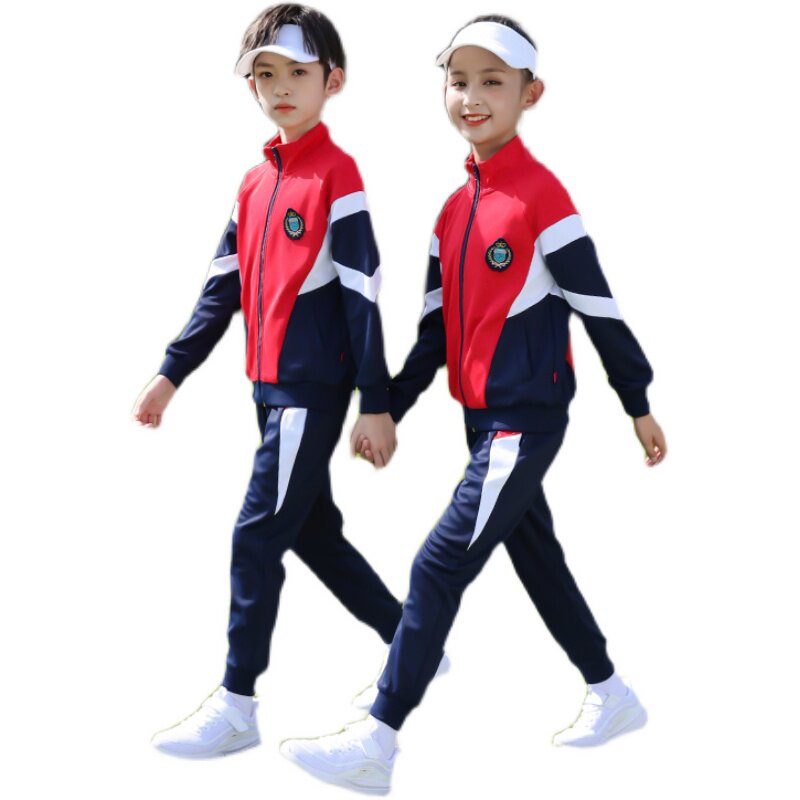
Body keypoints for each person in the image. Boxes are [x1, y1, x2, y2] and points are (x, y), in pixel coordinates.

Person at [280, 15, 667, 794]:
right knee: (538, 560)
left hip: (526, 422)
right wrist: (385, 407)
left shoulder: (543, 199)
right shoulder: (453, 213)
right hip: (481, 421)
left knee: (436, 564)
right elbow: (435, 335)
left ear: (532, 93)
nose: (473, 96)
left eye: (493, 81)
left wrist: (637, 401)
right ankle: (612, 693)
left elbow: (599, 306)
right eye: (459, 81)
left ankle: (379, 738)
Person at [131, 3, 404, 758]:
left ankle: (237, 704)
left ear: (332, 81)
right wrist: (170, 373)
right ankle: (412, 640)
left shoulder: (337, 176)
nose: (280, 87)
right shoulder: (254, 182)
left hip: (309, 393)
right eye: (265, 74)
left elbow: (364, 294)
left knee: (256, 536)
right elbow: (221, 289)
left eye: (297, 73)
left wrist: (375, 403)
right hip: (267, 391)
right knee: (312, 533)